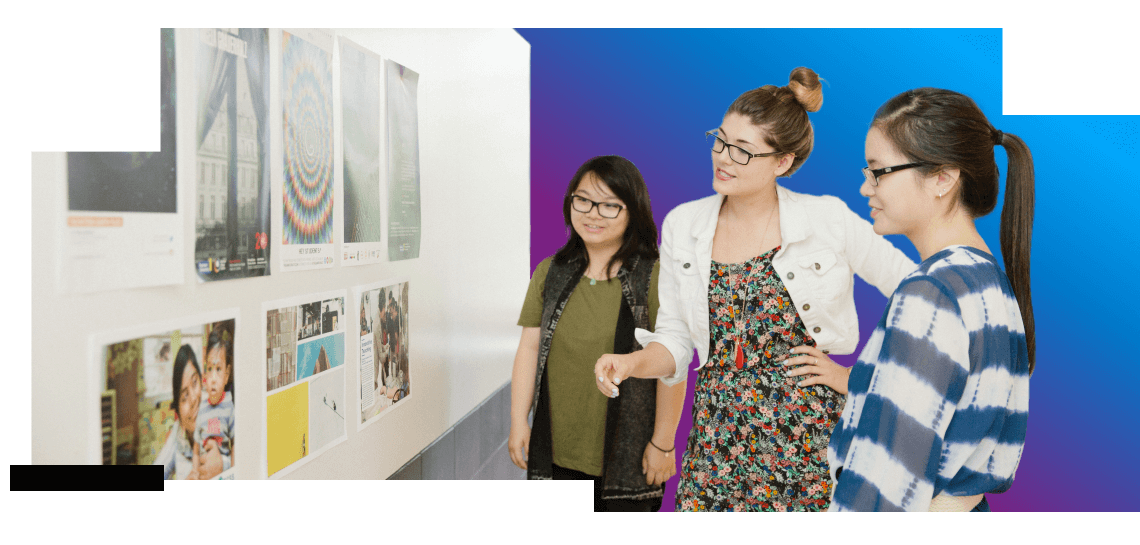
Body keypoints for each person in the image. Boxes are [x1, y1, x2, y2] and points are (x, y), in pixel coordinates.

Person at [594, 67, 919, 511]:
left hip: (808, 441)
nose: (723, 158)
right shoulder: (684, 226)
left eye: (743, 151)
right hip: (716, 441)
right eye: (720, 140)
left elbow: (918, 293)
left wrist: (857, 378)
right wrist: (632, 363)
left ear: (782, 162)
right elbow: (675, 339)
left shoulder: (828, 219)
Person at [825, 88, 1033, 512]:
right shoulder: (992, 285)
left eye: (879, 171)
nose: (866, 187)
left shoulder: (931, 294)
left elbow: (885, 485)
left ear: (942, 177)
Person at [510, 155, 680, 512]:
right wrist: (517, 422)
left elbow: (673, 363)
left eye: (609, 206)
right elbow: (528, 349)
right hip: (556, 451)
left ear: (632, 211)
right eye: (583, 200)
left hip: (628, 460)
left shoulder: (655, 277)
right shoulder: (550, 272)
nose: (592, 213)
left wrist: (664, 443)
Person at [194, 325, 235, 479]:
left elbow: (236, 445)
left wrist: (229, 470)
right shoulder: (202, 408)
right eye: (209, 368)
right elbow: (196, 447)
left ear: (226, 374)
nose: (212, 378)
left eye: (218, 369)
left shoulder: (230, 406)